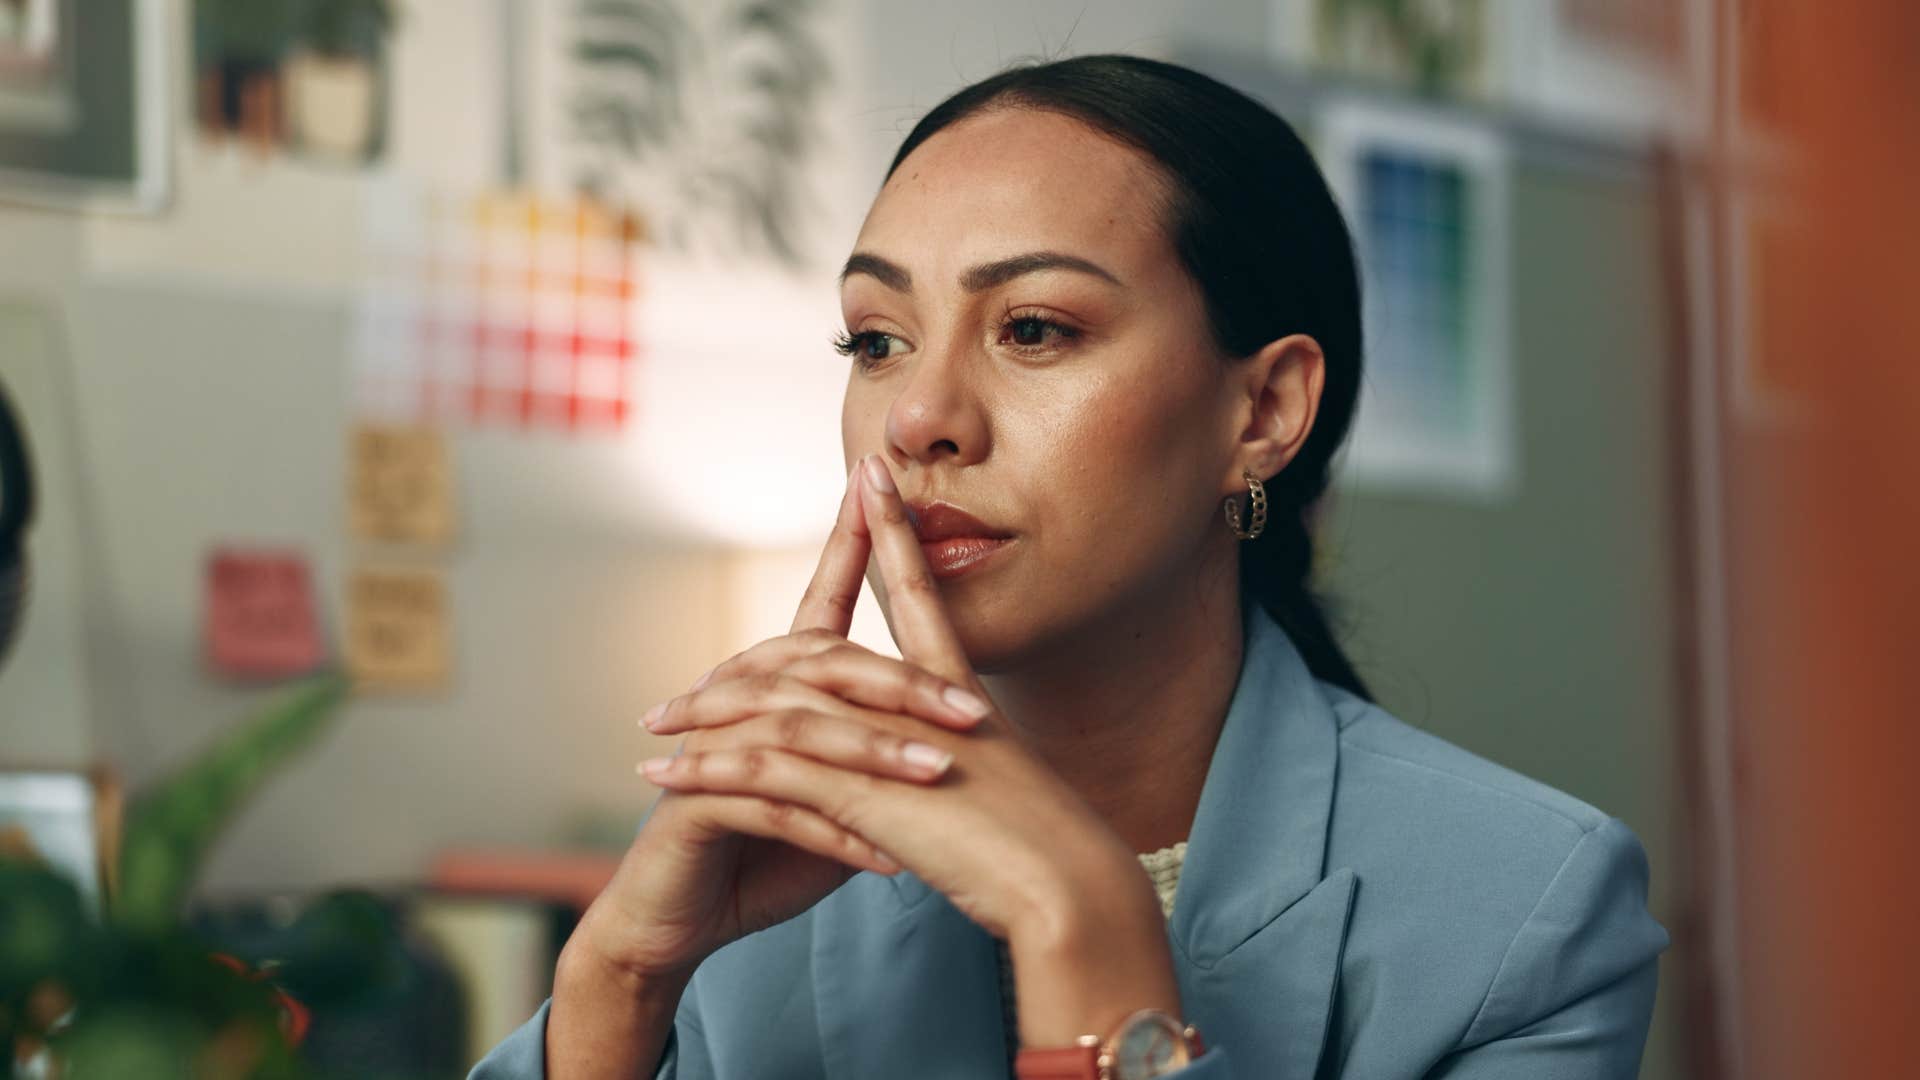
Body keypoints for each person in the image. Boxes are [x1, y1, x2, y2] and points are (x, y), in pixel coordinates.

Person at [472, 54, 1668, 1079]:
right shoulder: (756, 860)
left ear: (1263, 411)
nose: (920, 417)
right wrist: (616, 986)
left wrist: (1082, 925)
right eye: (877, 341)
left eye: (1034, 329)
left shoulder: (1527, 908)